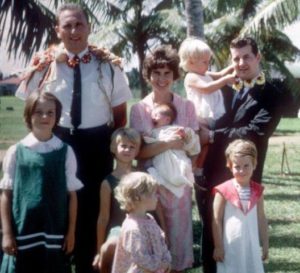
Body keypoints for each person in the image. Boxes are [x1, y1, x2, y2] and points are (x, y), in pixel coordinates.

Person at [14, 3, 132, 273]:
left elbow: (119, 115)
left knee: (92, 209)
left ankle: (89, 264)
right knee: (56, 205)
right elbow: (31, 110)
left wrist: (109, 146)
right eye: (67, 25)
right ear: (58, 30)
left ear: (89, 28)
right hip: (58, 142)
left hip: (96, 145)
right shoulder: (44, 67)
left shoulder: (108, 67)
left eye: (79, 24)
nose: (74, 31)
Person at [199, 37, 281, 273]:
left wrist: (212, 135)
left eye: (246, 56)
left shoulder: (272, 92)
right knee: (211, 237)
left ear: (258, 57)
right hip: (212, 173)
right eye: (236, 58)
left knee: (239, 239)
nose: (241, 62)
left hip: (243, 177)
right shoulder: (223, 87)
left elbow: (255, 132)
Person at [130, 45, 198, 272]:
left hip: (179, 185)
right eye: (156, 73)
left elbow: (192, 147)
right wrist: (169, 144)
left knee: (178, 246)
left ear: (175, 75)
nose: (162, 78)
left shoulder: (187, 106)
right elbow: (139, 152)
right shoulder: (139, 109)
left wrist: (191, 175)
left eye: (167, 73)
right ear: (148, 75)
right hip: (151, 184)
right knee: (153, 244)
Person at [0, 91, 83, 273]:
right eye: (38, 112)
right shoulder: (16, 151)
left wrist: (71, 232)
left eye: (50, 112)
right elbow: (6, 194)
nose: (45, 116)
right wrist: (6, 233)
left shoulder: (65, 151)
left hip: (55, 230)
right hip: (23, 230)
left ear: (57, 116)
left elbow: (72, 196)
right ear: (29, 115)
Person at [178, 37, 235, 184]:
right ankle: (193, 168)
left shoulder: (206, 74)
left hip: (209, 117)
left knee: (207, 144)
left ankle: (199, 169)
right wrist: (225, 80)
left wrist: (232, 67)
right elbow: (207, 88)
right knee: (200, 144)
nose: (208, 65)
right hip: (199, 116)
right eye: (204, 62)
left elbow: (221, 74)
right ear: (190, 62)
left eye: (208, 61)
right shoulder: (191, 77)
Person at [212, 139, 268, 273]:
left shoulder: (257, 191)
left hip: (251, 244)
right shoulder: (223, 190)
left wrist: (265, 244)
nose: (242, 170)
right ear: (230, 166)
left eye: (246, 165)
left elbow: (261, 218)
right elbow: (216, 219)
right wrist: (218, 246)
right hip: (231, 245)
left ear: (254, 164)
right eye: (237, 166)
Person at [93, 128, 141, 273]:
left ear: (137, 151)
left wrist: (162, 230)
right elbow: (103, 217)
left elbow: (157, 208)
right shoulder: (108, 183)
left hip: (140, 229)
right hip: (118, 231)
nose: (127, 150)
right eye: (123, 146)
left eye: (132, 147)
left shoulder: (142, 177)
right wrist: (100, 249)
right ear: (114, 147)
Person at [112, 172, 171, 273]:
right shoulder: (132, 228)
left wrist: (166, 259)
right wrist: (160, 266)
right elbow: (140, 258)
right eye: (154, 193)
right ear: (138, 197)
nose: (157, 197)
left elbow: (161, 240)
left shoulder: (149, 218)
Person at [145, 103, 200, 198]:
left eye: (156, 115)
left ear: (167, 119)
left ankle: (179, 179)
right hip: (162, 157)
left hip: (175, 155)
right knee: (159, 170)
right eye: (152, 115)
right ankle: (168, 183)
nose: (153, 117)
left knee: (181, 166)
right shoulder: (154, 131)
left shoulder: (173, 129)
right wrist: (147, 139)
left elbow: (188, 134)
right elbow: (151, 142)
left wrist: (184, 134)